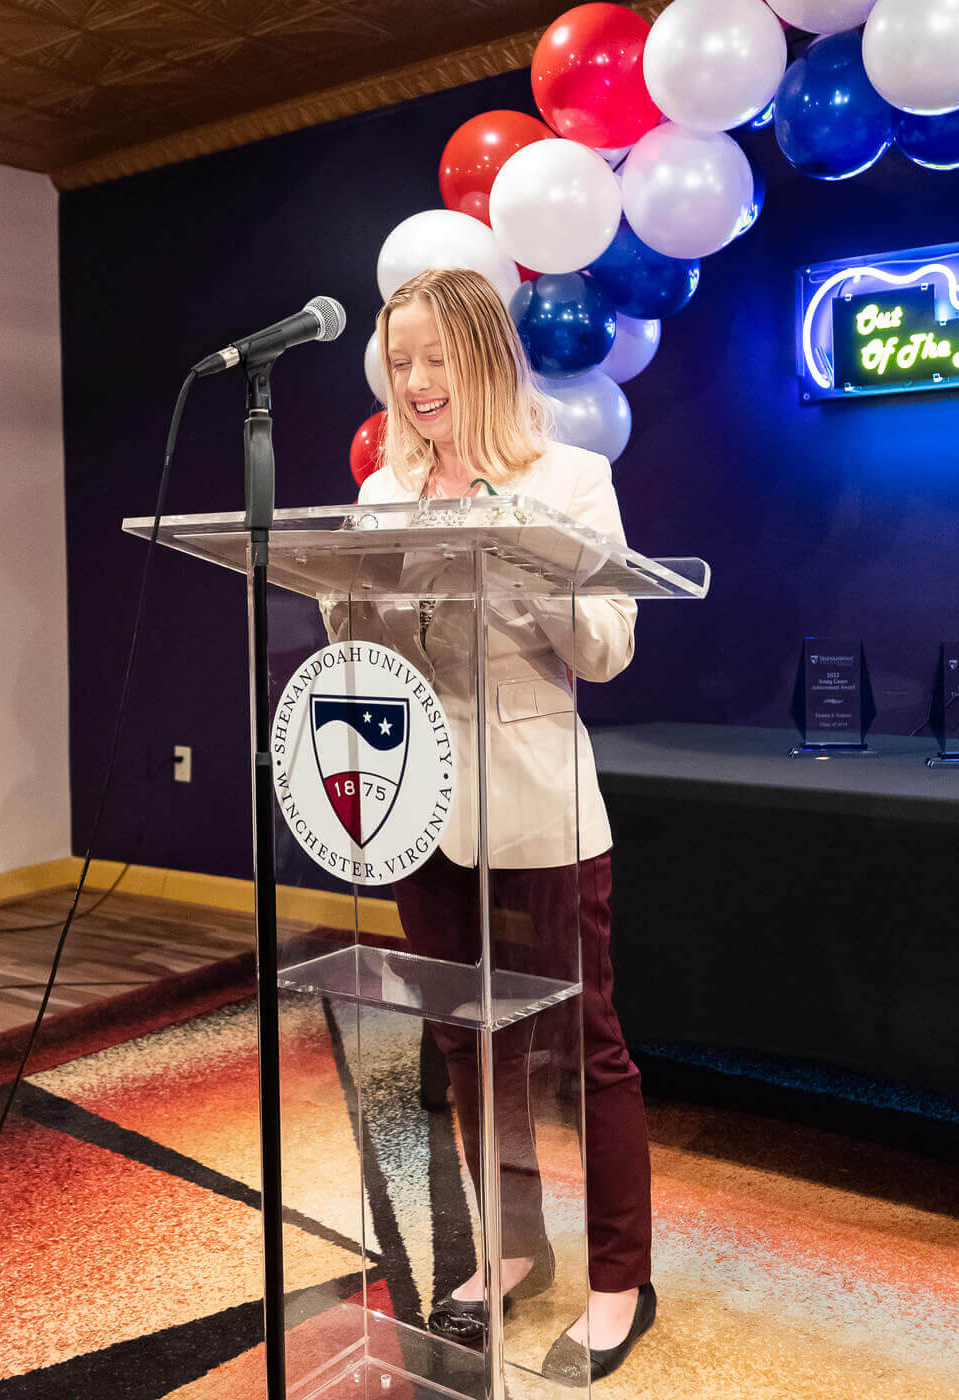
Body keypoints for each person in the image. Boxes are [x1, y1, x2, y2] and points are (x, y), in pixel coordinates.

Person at [343, 267, 654, 1384]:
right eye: (401, 361)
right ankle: (512, 1250)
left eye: (435, 357)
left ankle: (621, 1278)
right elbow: (370, 636)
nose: (417, 382)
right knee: (469, 1041)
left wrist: (517, 551)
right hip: (416, 801)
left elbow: (607, 647)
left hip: (541, 804)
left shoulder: (571, 479)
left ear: (482, 357)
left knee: (584, 1050)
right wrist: (346, 587)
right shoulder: (383, 492)